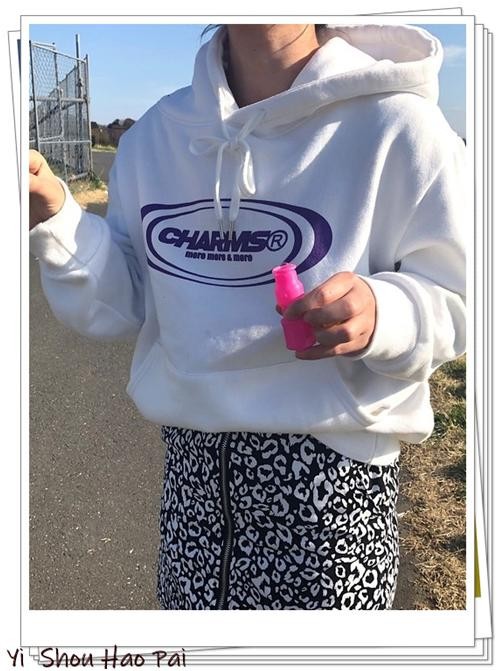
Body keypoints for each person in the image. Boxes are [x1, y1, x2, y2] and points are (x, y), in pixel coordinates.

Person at [29, 23, 466, 610]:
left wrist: (384, 313)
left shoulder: (401, 127)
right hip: (191, 481)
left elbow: (460, 296)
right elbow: (126, 297)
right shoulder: (158, 136)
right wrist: (56, 217)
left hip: (332, 491)